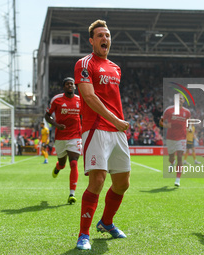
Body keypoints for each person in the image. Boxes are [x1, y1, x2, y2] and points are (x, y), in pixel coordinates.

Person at [74, 19, 131, 250]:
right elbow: (89, 96)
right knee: (97, 181)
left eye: (107, 35)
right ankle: (83, 235)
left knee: (123, 183)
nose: (104, 38)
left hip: (117, 131)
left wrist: (118, 123)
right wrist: (116, 120)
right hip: (96, 128)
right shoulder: (84, 63)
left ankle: (106, 223)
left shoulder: (116, 67)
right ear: (91, 40)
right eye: (99, 35)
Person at [45, 77, 82, 204]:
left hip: (76, 136)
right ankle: (58, 167)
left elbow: (86, 115)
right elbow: (47, 115)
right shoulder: (57, 100)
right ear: (64, 87)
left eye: (72, 84)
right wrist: (56, 124)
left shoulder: (80, 100)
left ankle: (72, 194)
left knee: (74, 163)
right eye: (67, 84)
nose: (70, 86)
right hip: (60, 137)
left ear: (75, 86)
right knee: (62, 163)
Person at [160, 94, 191, 187]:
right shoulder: (169, 110)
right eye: (178, 99)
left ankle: (178, 179)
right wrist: (165, 125)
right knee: (171, 157)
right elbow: (161, 121)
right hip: (170, 138)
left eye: (181, 99)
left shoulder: (187, 112)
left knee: (180, 157)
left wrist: (189, 127)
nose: (180, 100)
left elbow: (189, 122)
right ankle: (172, 162)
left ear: (183, 101)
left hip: (181, 137)